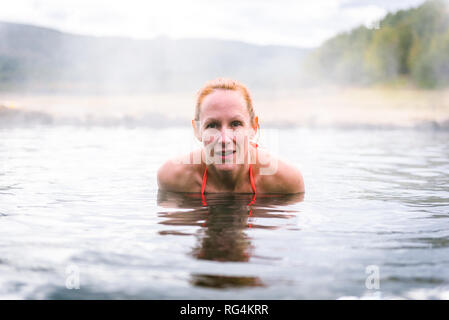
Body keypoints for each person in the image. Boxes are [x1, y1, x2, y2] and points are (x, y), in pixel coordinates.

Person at [157, 78, 305, 194]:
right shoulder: (173, 179)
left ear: (253, 127)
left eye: (235, 124)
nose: (224, 139)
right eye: (212, 125)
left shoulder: (286, 182)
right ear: (197, 130)